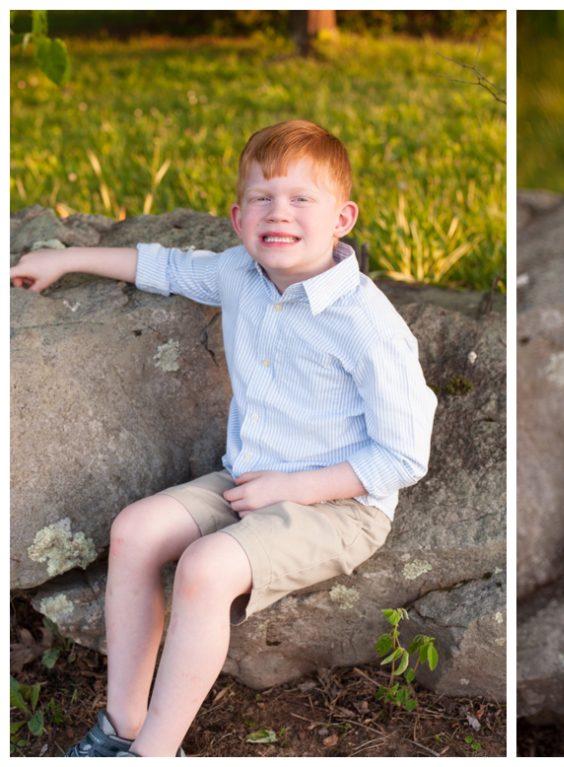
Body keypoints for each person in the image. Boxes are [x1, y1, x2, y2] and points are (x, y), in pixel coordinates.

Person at [11, 120, 438, 757]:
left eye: (301, 199)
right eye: (263, 198)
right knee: (135, 530)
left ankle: (154, 751)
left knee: (204, 569)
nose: (279, 214)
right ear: (238, 219)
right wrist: (66, 258)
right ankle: (122, 725)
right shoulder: (240, 274)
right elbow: (165, 267)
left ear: (342, 217)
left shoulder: (366, 323)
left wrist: (294, 487)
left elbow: (404, 455)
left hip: (340, 506)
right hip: (249, 479)